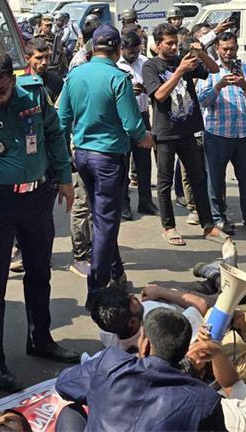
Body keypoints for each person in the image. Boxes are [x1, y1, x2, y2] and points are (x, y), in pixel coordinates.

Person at [0, 50, 80, 393]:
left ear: (12, 81)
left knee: (40, 273)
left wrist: (65, 177)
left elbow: (54, 134)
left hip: (38, 198)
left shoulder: (35, 96)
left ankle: (40, 338)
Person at [57, 26, 152, 304]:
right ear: (118, 49)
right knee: (105, 224)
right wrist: (145, 138)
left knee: (101, 217)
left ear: (92, 48)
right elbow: (132, 124)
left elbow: (62, 120)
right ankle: (96, 291)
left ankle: (117, 272)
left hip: (82, 155)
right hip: (109, 158)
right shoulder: (118, 78)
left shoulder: (74, 75)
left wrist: (64, 157)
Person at [55, 309, 226, 431]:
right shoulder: (206, 399)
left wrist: (103, 394)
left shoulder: (111, 363)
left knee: (70, 412)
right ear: (183, 351)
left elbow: (63, 384)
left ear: (145, 345)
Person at [142, 23, 232, 248]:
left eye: (175, 43)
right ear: (157, 45)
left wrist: (201, 53)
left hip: (188, 129)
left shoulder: (184, 59)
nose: (173, 47)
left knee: (198, 178)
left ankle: (208, 225)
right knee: (164, 182)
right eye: (168, 43)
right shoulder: (151, 66)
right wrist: (180, 71)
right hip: (165, 132)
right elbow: (160, 95)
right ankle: (169, 227)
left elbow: (213, 70)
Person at [196, 31, 246, 237]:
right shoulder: (209, 70)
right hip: (217, 133)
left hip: (244, 133)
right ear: (217, 48)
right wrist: (218, 86)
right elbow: (202, 101)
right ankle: (218, 217)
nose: (229, 53)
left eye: (232, 48)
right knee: (216, 179)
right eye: (225, 49)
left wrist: (244, 85)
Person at [115, 30, 158, 220]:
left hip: (142, 115)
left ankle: (146, 202)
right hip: (122, 119)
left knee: (144, 162)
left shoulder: (144, 62)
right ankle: (123, 204)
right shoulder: (115, 64)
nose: (134, 54)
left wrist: (145, 89)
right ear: (122, 48)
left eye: (137, 50)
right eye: (131, 51)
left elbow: (154, 88)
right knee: (123, 163)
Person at [87, 286, 205, 352]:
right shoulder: (164, 325)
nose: (133, 296)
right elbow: (202, 305)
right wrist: (160, 291)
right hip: (184, 301)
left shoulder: (108, 335)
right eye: (131, 301)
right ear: (132, 322)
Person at [22, 38, 63, 102]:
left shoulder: (56, 81)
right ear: (27, 59)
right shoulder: (20, 85)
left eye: (47, 57)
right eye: (39, 58)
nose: (44, 62)